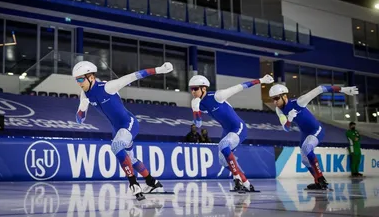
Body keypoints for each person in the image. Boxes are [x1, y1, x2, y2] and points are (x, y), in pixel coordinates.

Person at [73, 60, 173, 200]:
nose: (79, 83)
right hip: (117, 129)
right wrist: (80, 115)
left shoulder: (108, 87)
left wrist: (159, 69)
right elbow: (81, 114)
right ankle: (153, 182)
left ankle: (133, 183)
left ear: (91, 77)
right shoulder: (84, 94)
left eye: (81, 79)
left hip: (129, 123)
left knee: (116, 146)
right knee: (130, 159)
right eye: (76, 80)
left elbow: (134, 75)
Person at [189, 74, 274, 192]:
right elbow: (198, 125)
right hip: (227, 131)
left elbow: (241, 87)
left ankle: (238, 179)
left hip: (238, 127)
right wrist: (195, 110)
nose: (193, 92)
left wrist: (262, 80)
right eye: (191, 89)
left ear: (204, 88)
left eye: (195, 89)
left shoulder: (217, 96)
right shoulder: (196, 103)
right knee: (222, 160)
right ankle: (247, 183)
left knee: (223, 145)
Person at [269, 84, 358, 190]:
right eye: (272, 99)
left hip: (316, 129)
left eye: (276, 98)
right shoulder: (279, 110)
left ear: (284, 96)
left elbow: (321, 89)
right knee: (304, 160)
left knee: (307, 148)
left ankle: (321, 179)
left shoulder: (299, 102)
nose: (274, 102)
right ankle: (317, 181)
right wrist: (289, 119)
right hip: (305, 133)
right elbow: (286, 128)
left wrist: (343, 90)